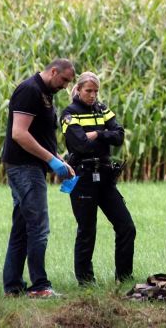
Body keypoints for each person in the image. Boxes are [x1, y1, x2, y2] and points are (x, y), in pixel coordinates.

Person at [2, 58, 76, 298]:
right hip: (25, 167)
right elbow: (19, 134)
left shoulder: (45, 93)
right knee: (38, 228)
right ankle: (39, 287)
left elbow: (40, 136)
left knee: (22, 228)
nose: (65, 86)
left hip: (32, 166)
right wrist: (50, 160)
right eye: (64, 79)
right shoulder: (29, 90)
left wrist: (58, 160)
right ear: (53, 71)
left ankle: (13, 287)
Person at [61, 71, 136, 285]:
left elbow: (119, 136)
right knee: (87, 230)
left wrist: (97, 134)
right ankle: (86, 281)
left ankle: (124, 277)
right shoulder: (69, 113)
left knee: (126, 226)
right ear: (78, 89)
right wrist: (103, 135)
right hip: (83, 177)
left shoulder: (102, 109)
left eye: (96, 91)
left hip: (104, 176)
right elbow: (80, 144)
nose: (93, 95)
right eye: (88, 91)